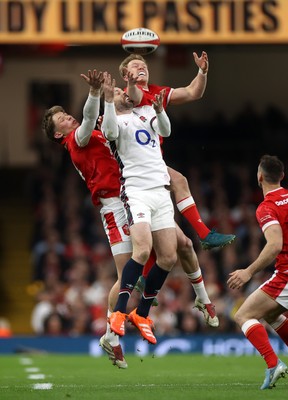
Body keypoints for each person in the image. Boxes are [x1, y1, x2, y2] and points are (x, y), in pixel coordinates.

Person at [42, 69, 130, 368]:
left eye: (67, 114)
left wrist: (108, 95)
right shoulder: (74, 142)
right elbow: (90, 120)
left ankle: (113, 333)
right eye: (63, 119)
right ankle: (111, 334)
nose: (69, 118)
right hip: (113, 206)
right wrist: (94, 93)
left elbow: (107, 125)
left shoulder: (90, 134)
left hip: (131, 197)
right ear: (58, 133)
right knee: (126, 276)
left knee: (145, 266)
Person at [119, 52, 236, 250]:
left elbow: (193, 92)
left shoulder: (157, 92)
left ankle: (203, 236)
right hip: (134, 168)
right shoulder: (127, 95)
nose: (141, 68)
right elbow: (135, 96)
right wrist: (131, 84)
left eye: (144, 66)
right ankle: (204, 234)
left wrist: (202, 71)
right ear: (125, 74)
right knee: (153, 238)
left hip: (151, 163)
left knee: (178, 245)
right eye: (136, 65)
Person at [102, 74, 178, 345]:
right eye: (121, 92)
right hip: (136, 192)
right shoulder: (111, 119)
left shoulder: (146, 111)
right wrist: (108, 101)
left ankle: (141, 313)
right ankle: (119, 312)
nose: (126, 93)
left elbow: (166, 131)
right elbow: (110, 133)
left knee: (169, 257)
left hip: (160, 190)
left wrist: (159, 110)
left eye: (126, 92)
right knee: (143, 250)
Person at [227, 155, 288, 390]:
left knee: (242, 315)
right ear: (282, 176)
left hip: (285, 275)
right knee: (272, 314)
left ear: (260, 177)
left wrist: (248, 272)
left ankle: (273, 365)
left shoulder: (267, 207)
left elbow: (274, 245)